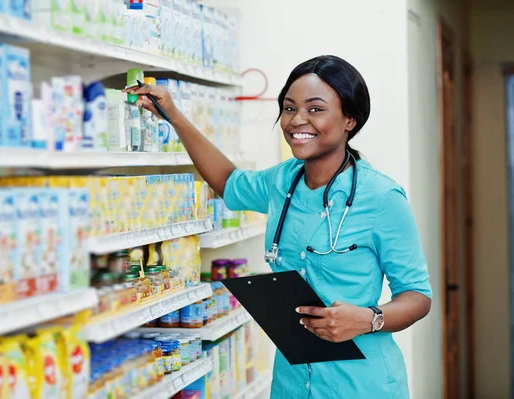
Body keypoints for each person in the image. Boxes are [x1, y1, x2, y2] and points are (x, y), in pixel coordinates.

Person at [125, 55, 432, 398]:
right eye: (289, 108)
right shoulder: (283, 180)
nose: (297, 119)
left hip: (360, 383)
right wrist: (174, 116)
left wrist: (367, 318)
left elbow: (418, 296)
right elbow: (228, 182)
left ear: (350, 118)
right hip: (292, 381)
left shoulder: (381, 198)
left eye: (315, 109)